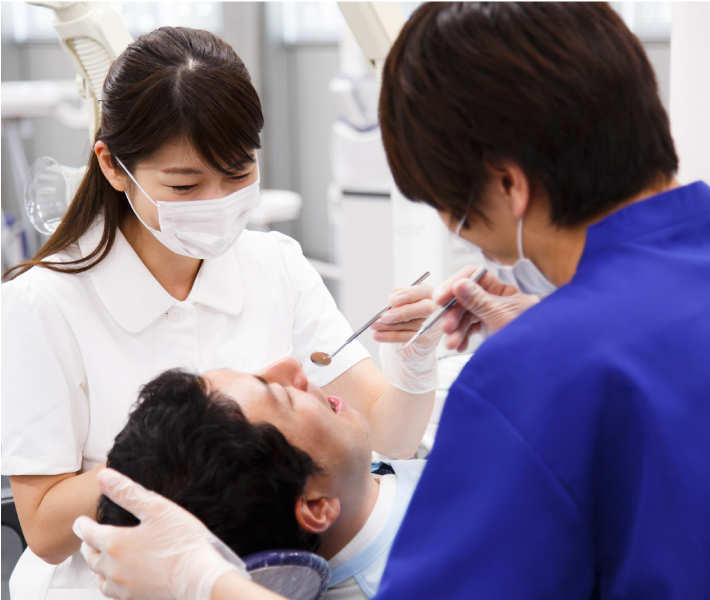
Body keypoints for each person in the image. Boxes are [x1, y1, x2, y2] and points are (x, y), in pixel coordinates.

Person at [74, 3, 710, 600]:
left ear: (509, 185)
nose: (464, 235)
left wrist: (207, 582)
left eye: (447, 206)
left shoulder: (531, 379)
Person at [1, 26, 442, 600]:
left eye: (238, 174)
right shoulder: (43, 302)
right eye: (185, 185)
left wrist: (413, 364)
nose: (216, 202)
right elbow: (43, 527)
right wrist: (181, 452)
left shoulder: (274, 264)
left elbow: (390, 435)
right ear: (113, 167)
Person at [98, 361, 424, 600]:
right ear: (314, 505)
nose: (292, 365)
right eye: (284, 396)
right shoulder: (418, 571)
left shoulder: (358, 479)